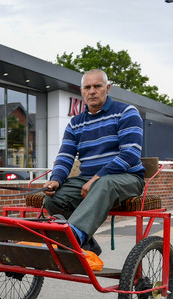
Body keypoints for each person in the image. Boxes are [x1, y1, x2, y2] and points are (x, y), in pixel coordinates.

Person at [42, 69, 145, 255]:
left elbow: (131, 154)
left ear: (107, 88)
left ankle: (73, 237)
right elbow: (65, 156)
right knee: (52, 198)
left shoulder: (126, 112)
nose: (92, 91)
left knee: (104, 183)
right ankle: (86, 243)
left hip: (127, 178)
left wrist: (97, 177)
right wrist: (56, 179)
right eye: (87, 87)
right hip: (89, 180)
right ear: (81, 91)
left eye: (97, 86)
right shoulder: (75, 123)